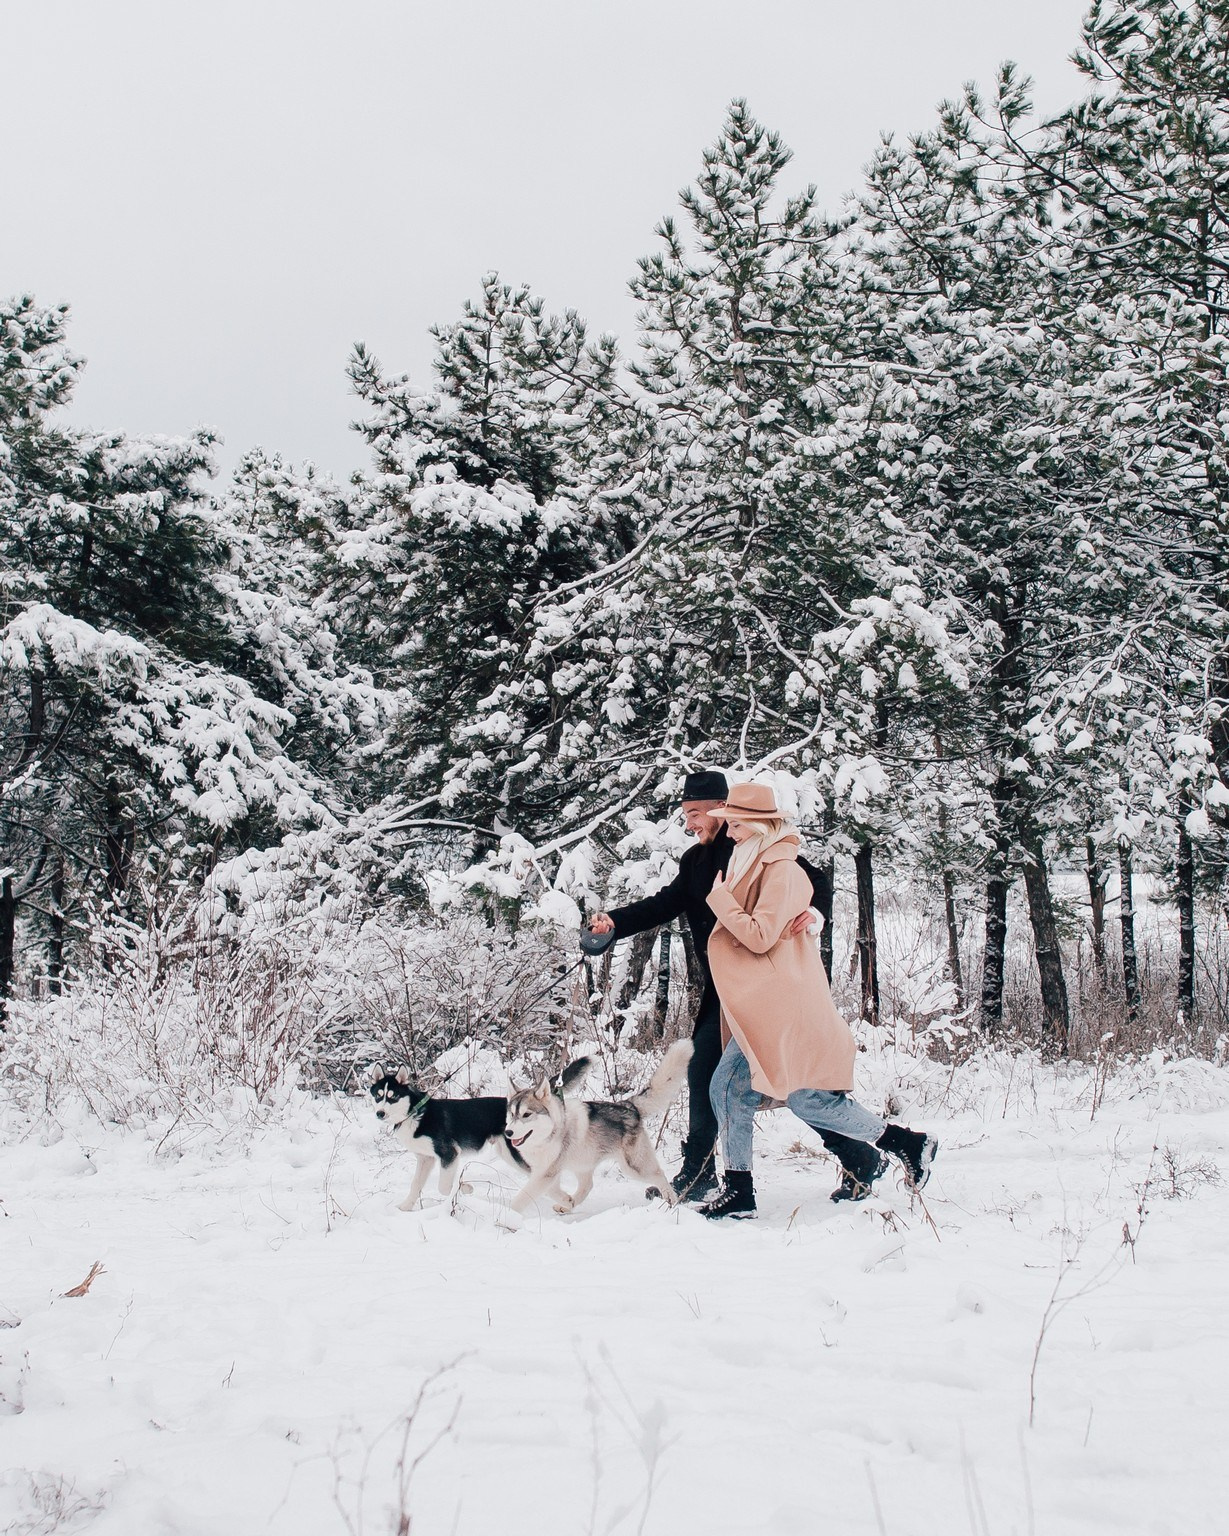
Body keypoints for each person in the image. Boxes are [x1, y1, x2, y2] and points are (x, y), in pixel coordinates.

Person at [586, 771, 885, 1203]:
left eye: (694, 813)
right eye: (686, 814)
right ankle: (701, 1170)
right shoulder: (695, 862)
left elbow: (812, 881)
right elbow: (664, 904)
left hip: (765, 989)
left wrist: (814, 914)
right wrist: (615, 922)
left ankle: (857, 1154)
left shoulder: (753, 848)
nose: (689, 823)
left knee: (790, 1079)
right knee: (706, 1068)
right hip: (725, 989)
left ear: (720, 810)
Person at [697, 782, 938, 1220]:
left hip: (784, 1004)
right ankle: (906, 1143)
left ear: (754, 824)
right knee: (778, 1095)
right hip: (766, 1002)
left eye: (733, 824)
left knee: (790, 1096)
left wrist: (720, 901)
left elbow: (759, 935)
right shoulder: (751, 861)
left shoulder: (782, 870)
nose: (728, 832)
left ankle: (741, 1191)